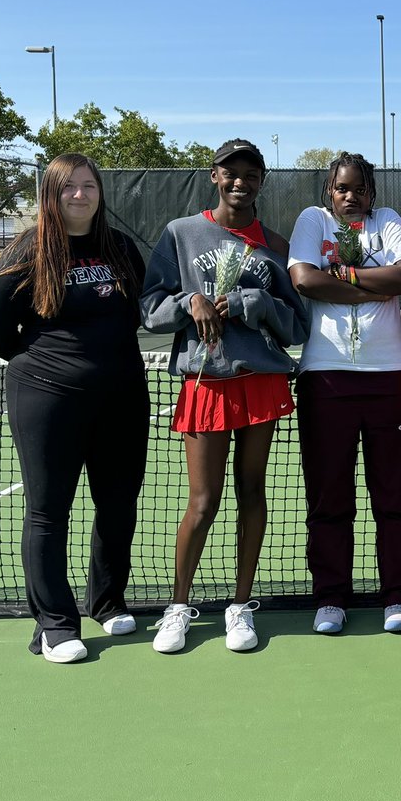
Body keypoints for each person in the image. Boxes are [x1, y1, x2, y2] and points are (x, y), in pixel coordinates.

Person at [0, 153, 148, 663]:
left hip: (122, 398)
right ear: (50, 195)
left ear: (100, 192)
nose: (79, 195)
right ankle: (54, 623)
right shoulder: (26, 252)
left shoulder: (119, 248)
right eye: (68, 187)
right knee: (49, 512)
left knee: (118, 504)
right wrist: (47, 370)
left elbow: (140, 309)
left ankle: (106, 600)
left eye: (88, 186)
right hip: (47, 400)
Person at [141, 138, 308, 654]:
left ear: (261, 181)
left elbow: (295, 325)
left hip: (260, 382)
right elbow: (150, 308)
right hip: (205, 383)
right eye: (230, 172)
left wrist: (253, 302)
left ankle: (240, 605)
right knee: (203, 501)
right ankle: (178, 606)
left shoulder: (276, 248)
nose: (240, 182)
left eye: (250, 174)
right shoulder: (180, 234)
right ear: (214, 176)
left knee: (251, 492)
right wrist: (191, 301)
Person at [287, 152, 401, 635]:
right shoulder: (313, 220)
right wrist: (372, 287)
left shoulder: (388, 221)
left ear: (372, 192)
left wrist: (341, 279)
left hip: (390, 377)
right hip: (326, 378)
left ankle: (399, 595)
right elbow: (304, 279)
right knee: (329, 497)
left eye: (360, 188)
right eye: (342, 188)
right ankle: (331, 598)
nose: (351, 196)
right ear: (330, 190)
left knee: (395, 494)